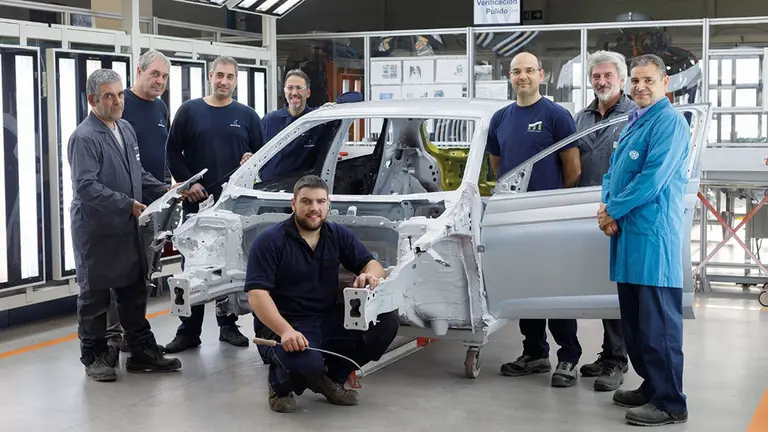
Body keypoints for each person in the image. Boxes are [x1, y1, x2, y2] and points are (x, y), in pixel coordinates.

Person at [245, 175, 400, 413]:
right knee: (304, 365)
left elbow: (371, 263)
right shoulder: (270, 241)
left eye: (320, 202)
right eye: (306, 201)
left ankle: (332, 379)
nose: (314, 208)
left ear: (328, 204)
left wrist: (371, 275)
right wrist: (285, 331)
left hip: (326, 316)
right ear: (293, 204)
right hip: (285, 324)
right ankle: (279, 384)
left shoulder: (338, 235)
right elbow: (257, 295)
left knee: (385, 322)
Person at [68, 69, 182, 382]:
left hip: (127, 225)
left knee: (133, 288)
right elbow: (86, 187)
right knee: (95, 296)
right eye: (109, 96)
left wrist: (165, 188)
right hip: (97, 230)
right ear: (93, 100)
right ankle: (93, 357)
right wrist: (127, 205)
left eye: (119, 94)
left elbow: (137, 173)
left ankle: (141, 352)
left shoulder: (126, 129)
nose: (118, 101)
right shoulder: (84, 137)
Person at [598, 54, 690, 427]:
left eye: (648, 80)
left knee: (658, 328)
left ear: (665, 83)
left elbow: (652, 180)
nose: (640, 87)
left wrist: (613, 211)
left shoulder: (669, 123)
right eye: (635, 80)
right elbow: (613, 172)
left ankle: (671, 402)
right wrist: (606, 206)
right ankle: (652, 386)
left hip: (652, 240)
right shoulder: (634, 122)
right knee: (635, 325)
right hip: (627, 237)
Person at [487, 52, 583, 388]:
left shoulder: (557, 115)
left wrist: (550, 201)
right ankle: (535, 353)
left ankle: (568, 356)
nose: (523, 76)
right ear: (509, 77)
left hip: (549, 216)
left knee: (554, 287)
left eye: (529, 70)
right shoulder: (500, 118)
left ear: (541, 74)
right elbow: (499, 166)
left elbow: (572, 169)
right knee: (525, 285)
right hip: (515, 217)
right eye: (517, 71)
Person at [164, 55, 264, 353]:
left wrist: (252, 160)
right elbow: (172, 152)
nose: (224, 81)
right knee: (193, 267)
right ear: (210, 76)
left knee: (231, 265)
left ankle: (228, 324)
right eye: (219, 75)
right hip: (198, 206)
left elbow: (263, 157)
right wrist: (188, 183)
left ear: (236, 80)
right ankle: (188, 330)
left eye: (229, 77)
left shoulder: (247, 116)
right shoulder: (189, 111)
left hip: (235, 208)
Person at [573, 50, 637, 392]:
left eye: (608, 76)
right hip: (583, 209)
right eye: (596, 76)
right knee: (597, 284)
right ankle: (607, 352)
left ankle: (617, 360)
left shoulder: (634, 115)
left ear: (621, 79)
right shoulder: (580, 117)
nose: (601, 81)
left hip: (620, 212)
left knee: (617, 290)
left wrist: (616, 208)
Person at [104, 49, 171, 361]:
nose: (159, 81)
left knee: (143, 274)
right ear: (139, 71)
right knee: (119, 276)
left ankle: (134, 335)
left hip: (152, 206)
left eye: (164, 76)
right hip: (122, 209)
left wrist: (169, 188)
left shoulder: (160, 108)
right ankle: (112, 339)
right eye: (154, 74)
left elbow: (156, 158)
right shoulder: (121, 104)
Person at [253, 69, 363, 181]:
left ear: (308, 93)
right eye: (290, 88)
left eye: (299, 88)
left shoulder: (319, 119)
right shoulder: (269, 120)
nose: (294, 93)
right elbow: (257, 152)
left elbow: (357, 97)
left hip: (307, 190)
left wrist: (336, 104)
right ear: (285, 91)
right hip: (271, 189)